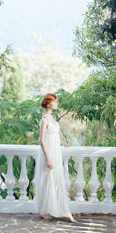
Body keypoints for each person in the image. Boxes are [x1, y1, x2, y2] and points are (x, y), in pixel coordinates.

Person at [36, 93, 77, 223]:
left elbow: (55, 136)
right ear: (49, 103)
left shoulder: (53, 118)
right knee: (48, 180)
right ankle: (45, 211)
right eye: (55, 101)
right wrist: (48, 158)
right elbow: (42, 140)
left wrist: (63, 143)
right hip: (49, 154)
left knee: (57, 180)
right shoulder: (44, 120)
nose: (57, 103)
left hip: (56, 152)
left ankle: (62, 210)